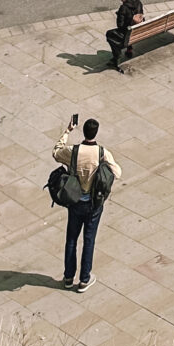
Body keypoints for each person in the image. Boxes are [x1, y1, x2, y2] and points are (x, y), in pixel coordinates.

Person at [52, 115, 122, 291]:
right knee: (89, 240)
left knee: (71, 240)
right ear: (96, 133)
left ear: (83, 132)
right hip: (93, 204)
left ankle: (68, 277)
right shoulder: (102, 153)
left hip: (75, 202)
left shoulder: (73, 151)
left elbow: (56, 152)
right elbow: (117, 172)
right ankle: (84, 279)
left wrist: (67, 131)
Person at [105, 0, 144, 69]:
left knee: (109, 34)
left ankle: (116, 58)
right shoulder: (138, 3)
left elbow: (120, 25)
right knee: (130, 30)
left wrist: (119, 14)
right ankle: (129, 50)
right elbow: (140, 16)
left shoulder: (123, 8)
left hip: (128, 34)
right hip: (139, 31)